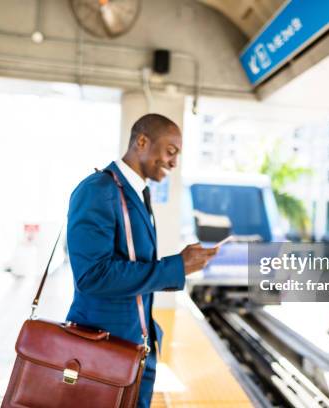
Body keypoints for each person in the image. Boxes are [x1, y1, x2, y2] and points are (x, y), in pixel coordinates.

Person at [66, 113, 218, 407]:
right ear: (142, 141)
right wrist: (177, 267)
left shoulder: (137, 193)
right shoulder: (98, 190)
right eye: (170, 151)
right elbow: (93, 276)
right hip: (104, 352)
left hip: (134, 347)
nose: (174, 163)